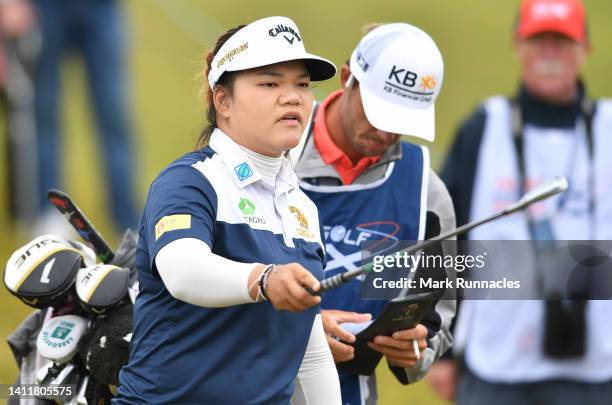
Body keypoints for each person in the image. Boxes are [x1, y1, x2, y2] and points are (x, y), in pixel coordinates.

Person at [114, 17, 341, 404]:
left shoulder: (302, 207)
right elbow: (183, 271)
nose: (293, 97)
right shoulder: (188, 181)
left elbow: (310, 354)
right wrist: (264, 280)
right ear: (223, 101)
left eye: (302, 85)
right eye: (270, 84)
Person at [434, 0, 612, 404]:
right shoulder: (484, 126)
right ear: (518, 45)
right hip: (496, 362)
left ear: (585, 48)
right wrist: (441, 349)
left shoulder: (608, 128)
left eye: (561, 42)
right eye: (539, 41)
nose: (550, 54)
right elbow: (446, 240)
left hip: (598, 366)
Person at [291, 23, 456, 405]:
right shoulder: (271, 144)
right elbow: (213, 279)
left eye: (403, 120)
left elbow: (437, 316)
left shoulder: (427, 194)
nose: (386, 133)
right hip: (246, 385)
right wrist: (303, 337)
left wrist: (416, 349)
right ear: (347, 78)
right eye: (379, 111)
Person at [30, 0, 138, 234]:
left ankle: (127, 218)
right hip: (44, 9)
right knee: (44, 113)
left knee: (114, 115)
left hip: (102, 8)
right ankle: (49, 214)